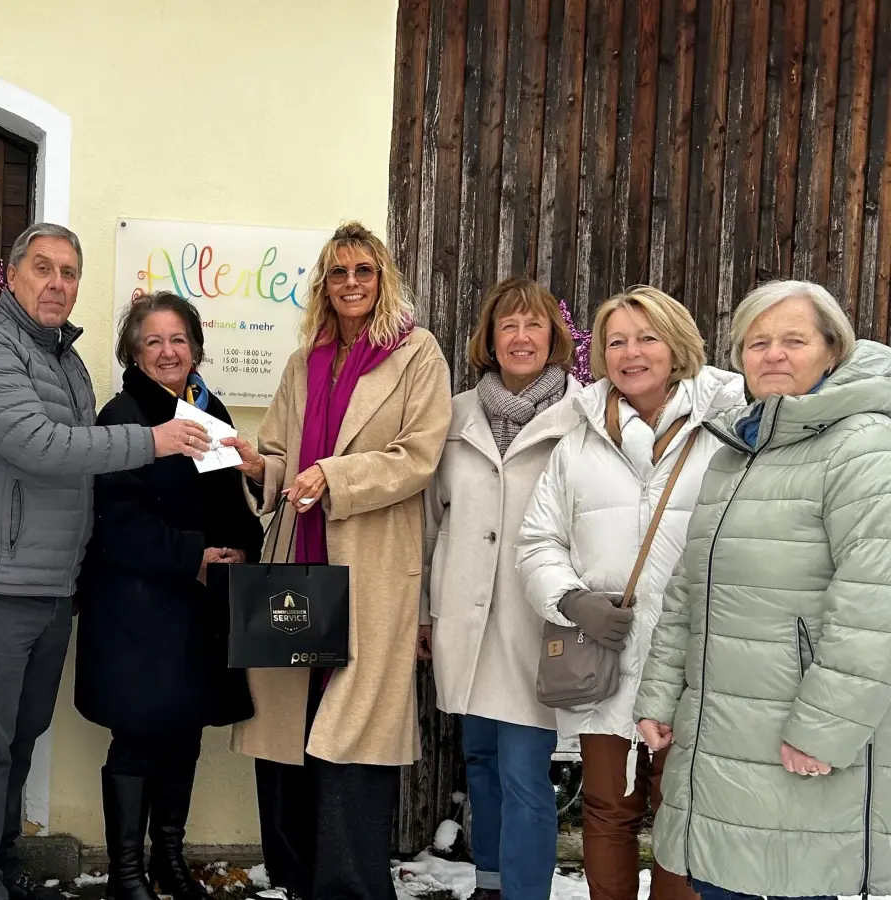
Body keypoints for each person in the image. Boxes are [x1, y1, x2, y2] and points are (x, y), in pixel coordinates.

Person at [0, 222, 209, 900]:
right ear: (11, 274)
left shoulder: (65, 361)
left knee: (20, 741)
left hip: (48, 585)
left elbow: (81, 481)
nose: (58, 283)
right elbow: (41, 446)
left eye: (70, 273)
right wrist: (154, 440)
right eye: (44, 268)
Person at [635, 280, 891, 900]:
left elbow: (874, 604)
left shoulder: (862, 447)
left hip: (795, 744)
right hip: (720, 734)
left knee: (786, 882)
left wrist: (824, 729)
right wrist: (660, 696)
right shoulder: (739, 449)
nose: (773, 354)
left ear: (832, 351)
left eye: (793, 340)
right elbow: (689, 588)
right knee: (720, 880)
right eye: (757, 343)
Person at [223, 221, 451, 900]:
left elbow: (419, 457)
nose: (351, 283)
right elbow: (283, 459)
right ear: (323, 284)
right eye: (338, 272)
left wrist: (334, 476)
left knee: (350, 735)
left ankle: (350, 888)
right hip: (297, 560)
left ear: (383, 279)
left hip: (372, 567)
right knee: (287, 731)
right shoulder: (304, 363)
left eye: (364, 271)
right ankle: (298, 878)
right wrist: (258, 464)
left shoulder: (417, 356)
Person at [517, 285, 744, 900]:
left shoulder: (730, 427)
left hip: (698, 660)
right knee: (607, 810)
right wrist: (571, 601)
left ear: (677, 345)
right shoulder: (578, 441)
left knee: (685, 811)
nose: (631, 352)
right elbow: (538, 541)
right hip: (607, 661)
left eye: (646, 337)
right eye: (616, 340)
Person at [75, 291, 265, 900]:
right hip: (138, 609)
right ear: (134, 350)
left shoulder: (208, 411)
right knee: (136, 737)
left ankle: (169, 862)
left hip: (196, 609)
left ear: (195, 348)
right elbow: (115, 518)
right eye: (153, 341)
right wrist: (193, 556)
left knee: (184, 733)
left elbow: (230, 502)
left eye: (177, 340)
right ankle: (127, 875)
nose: (167, 351)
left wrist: (238, 547)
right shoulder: (122, 416)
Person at [420, 277, 578, 900]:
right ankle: (489, 881)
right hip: (464, 613)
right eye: (507, 325)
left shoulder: (583, 415)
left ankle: (524, 893)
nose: (520, 336)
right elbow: (434, 519)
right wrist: (425, 614)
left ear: (553, 337)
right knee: (480, 758)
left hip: (533, 620)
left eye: (533, 324)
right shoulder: (455, 414)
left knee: (524, 772)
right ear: (489, 338)